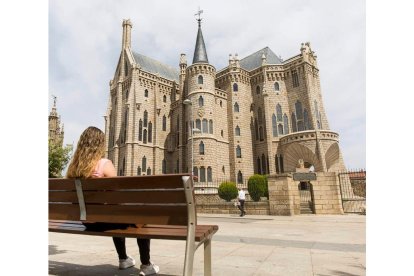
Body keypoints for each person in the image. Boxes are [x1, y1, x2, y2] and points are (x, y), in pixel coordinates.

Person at [66, 126, 159, 275]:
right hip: (104, 220)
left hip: (86, 222)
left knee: (114, 214)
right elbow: (118, 196)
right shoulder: (104, 164)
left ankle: (124, 259)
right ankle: (146, 264)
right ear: (100, 145)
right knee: (139, 217)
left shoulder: (73, 167)